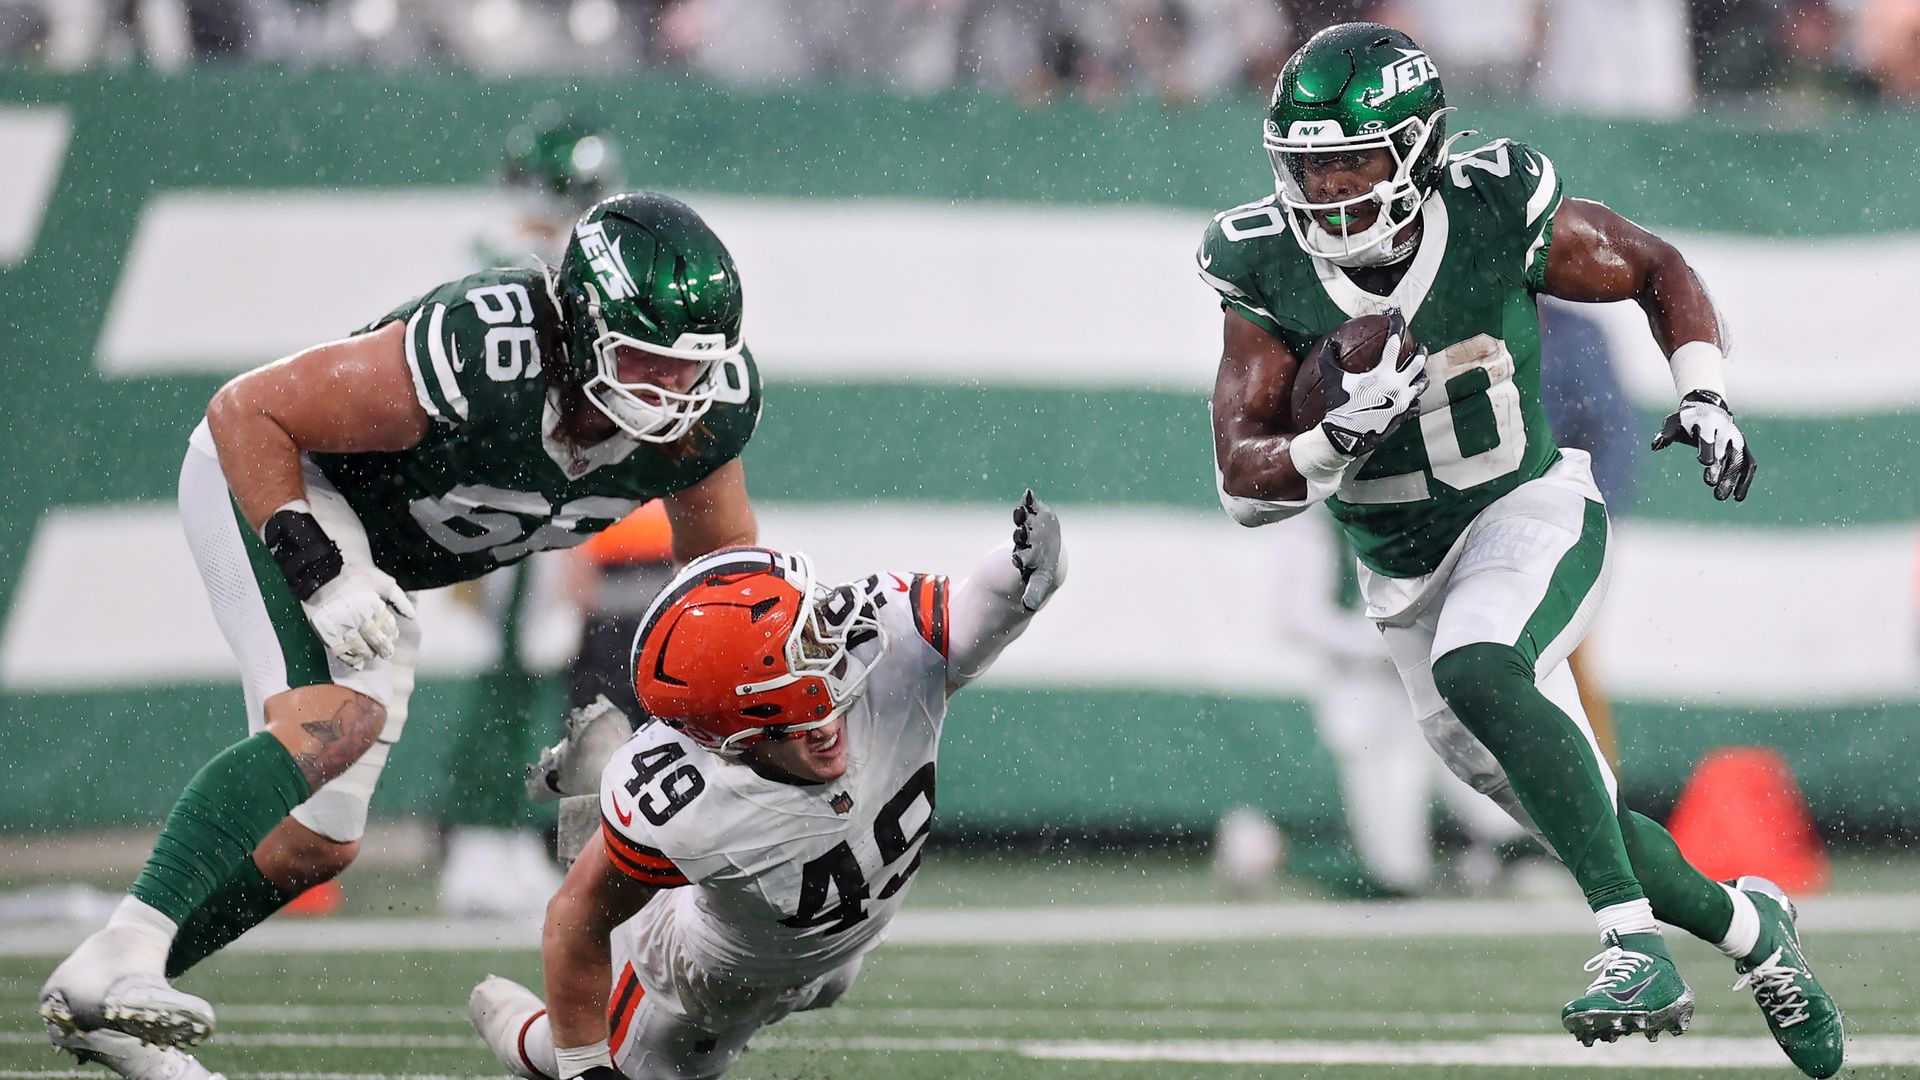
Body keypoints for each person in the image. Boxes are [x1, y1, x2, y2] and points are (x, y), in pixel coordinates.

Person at [1199, 23, 1841, 1076]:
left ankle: (1630, 946)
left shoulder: (1492, 204)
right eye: (1304, 162)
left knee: (1482, 661)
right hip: (1402, 571)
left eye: (1349, 158)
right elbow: (1244, 481)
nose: (1324, 186)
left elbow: (1655, 265)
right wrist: (1333, 439)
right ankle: (1751, 932)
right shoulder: (1261, 260)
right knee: (1581, 819)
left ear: (1418, 148)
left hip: (1526, 506)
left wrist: (1705, 393)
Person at [38, 191, 764, 1080]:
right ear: (579, 327)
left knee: (318, 842)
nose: (670, 393)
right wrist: (314, 567)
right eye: (645, 363)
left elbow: (723, 584)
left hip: (372, 552)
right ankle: (125, 951)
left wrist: (696, 723)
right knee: (331, 721)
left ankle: (105, 1000)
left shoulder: (703, 418)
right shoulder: (488, 348)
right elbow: (246, 412)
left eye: (688, 371)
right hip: (279, 487)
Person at [467, 492, 1066, 1080]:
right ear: (735, 738)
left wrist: (1025, 572)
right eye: (796, 718)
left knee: (826, 982)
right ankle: (516, 1020)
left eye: (823, 667)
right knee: (625, 1065)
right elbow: (579, 914)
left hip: (830, 941)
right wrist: (582, 1066)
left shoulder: (882, 652)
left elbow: (977, 614)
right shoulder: (689, 802)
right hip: (706, 976)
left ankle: (597, 780)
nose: (829, 716)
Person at [439, 108, 628, 920]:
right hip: (506, 479)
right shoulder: (515, 256)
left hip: (524, 477)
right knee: (509, 670)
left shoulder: (511, 248)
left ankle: (505, 833)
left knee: (530, 671)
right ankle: (477, 839)